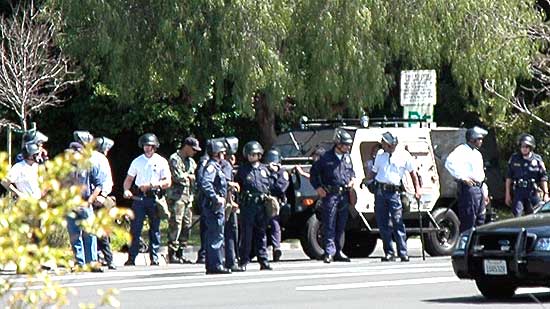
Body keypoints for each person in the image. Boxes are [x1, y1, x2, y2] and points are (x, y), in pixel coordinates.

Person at [368, 132, 420, 262]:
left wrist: (417, 190)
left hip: (394, 192)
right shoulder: (380, 154)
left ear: (391, 144)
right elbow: (374, 172)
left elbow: (413, 174)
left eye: (384, 142)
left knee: (398, 221)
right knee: (383, 223)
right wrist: (366, 181)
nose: (382, 144)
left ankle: (403, 252)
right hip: (380, 191)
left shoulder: (404, 155)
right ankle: (389, 252)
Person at [123, 133, 171, 266]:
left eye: (149, 146)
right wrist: (126, 190)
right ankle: (132, 257)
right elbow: (129, 179)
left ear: (154, 147)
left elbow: (168, 181)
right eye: (145, 145)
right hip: (139, 198)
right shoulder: (137, 161)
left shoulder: (161, 161)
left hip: (154, 197)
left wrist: (153, 185)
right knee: (135, 228)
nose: (147, 148)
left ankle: (154, 257)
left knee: (155, 228)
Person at [309, 129, 355, 263]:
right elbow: (313, 174)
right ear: (338, 144)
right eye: (345, 144)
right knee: (329, 223)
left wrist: (352, 181)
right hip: (330, 195)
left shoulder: (348, 157)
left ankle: (338, 251)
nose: (347, 147)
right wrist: (318, 188)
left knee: (341, 224)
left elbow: (351, 173)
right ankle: (329, 252)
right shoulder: (325, 157)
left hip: (344, 195)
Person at [66, 130, 102, 271]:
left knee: (90, 233)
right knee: (74, 235)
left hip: (85, 202)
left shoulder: (89, 165)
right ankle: (79, 263)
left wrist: (91, 200)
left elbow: (98, 184)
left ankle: (92, 261)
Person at [235, 141, 273, 271]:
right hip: (248, 205)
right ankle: (244, 261)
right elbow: (237, 186)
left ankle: (264, 261)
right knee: (246, 235)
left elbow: (271, 185)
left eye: (256, 154)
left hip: (261, 205)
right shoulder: (243, 170)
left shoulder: (265, 169)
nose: (253, 156)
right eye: (251, 154)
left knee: (261, 234)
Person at [445, 126, 489, 233]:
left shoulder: (477, 153)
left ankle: (475, 246)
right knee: (469, 220)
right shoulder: (461, 150)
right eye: (479, 139)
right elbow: (449, 163)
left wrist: (484, 192)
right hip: (469, 190)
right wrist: (462, 177)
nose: (481, 141)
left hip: (479, 189)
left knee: (480, 219)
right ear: (472, 139)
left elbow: (480, 175)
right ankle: (465, 246)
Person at [166, 137, 201, 264]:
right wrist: (188, 176)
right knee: (176, 222)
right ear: (186, 146)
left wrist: (190, 178)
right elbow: (177, 177)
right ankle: (172, 252)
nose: (195, 152)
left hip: (188, 197)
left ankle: (181, 251)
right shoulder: (175, 158)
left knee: (187, 225)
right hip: (176, 197)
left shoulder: (191, 162)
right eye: (193, 149)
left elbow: (194, 178)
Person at [199, 139, 230, 274]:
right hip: (214, 206)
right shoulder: (212, 167)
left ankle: (213, 264)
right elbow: (206, 183)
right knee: (216, 235)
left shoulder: (215, 166)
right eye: (222, 152)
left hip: (214, 206)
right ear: (217, 153)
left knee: (214, 234)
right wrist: (215, 197)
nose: (224, 155)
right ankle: (216, 265)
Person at [89, 136, 117, 270]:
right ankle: (107, 258)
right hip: (100, 196)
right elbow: (107, 181)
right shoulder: (100, 158)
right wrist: (103, 195)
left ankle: (105, 257)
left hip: (95, 197)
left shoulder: (92, 157)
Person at [505, 133, 548, 217]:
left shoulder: (537, 159)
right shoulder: (515, 158)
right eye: (522, 146)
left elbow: (543, 178)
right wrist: (507, 194)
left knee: (536, 215)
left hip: (533, 191)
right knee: (517, 215)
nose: (524, 149)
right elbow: (509, 177)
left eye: (526, 146)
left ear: (531, 147)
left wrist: (546, 193)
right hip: (519, 191)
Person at [220, 137, 243, 272]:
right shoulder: (226, 165)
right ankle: (231, 260)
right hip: (227, 203)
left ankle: (226, 259)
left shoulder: (221, 164)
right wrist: (231, 202)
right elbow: (228, 186)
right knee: (230, 232)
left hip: (221, 203)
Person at [264, 148, 289, 262]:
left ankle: (276, 248)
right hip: (262, 200)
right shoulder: (263, 171)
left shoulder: (282, 172)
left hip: (275, 202)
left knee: (275, 223)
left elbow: (280, 187)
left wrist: (274, 173)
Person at [195, 153, 209, 264]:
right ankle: (203, 253)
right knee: (206, 227)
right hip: (207, 199)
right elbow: (201, 181)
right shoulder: (205, 162)